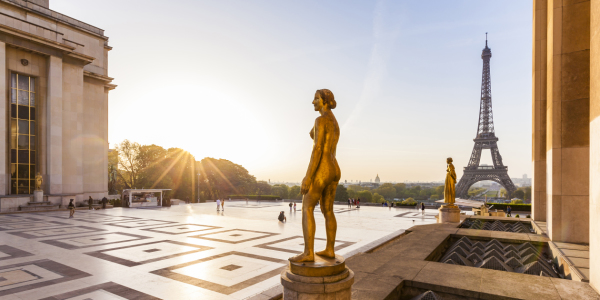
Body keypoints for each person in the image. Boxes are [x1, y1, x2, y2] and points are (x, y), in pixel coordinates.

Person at [289, 89, 341, 263]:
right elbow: (317, 136)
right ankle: (330, 250)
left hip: (323, 168)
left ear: (324, 101)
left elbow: (317, 148)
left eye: (316, 99)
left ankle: (308, 252)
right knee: (328, 211)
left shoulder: (320, 119)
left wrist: (308, 176)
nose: (313, 102)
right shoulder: (333, 121)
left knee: (307, 207)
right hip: (335, 168)